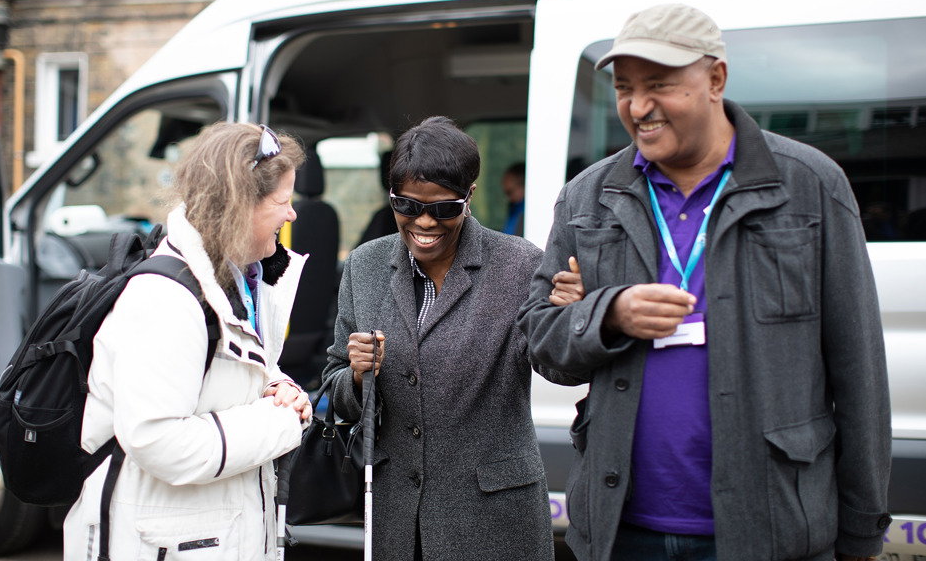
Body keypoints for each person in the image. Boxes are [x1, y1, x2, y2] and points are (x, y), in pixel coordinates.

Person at [518, 4, 891, 561]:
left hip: (770, 529)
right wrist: (609, 314)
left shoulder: (809, 186)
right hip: (624, 532)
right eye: (624, 88)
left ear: (716, 78)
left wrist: (861, 532)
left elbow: (859, 371)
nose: (638, 106)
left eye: (659, 85)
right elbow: (543, 345)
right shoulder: (587, 199)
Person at [323, 116, 570, 560]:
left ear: (469, 196)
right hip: (397, 523)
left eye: (443, 209)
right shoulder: (365, 267)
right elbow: (337, 387)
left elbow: (561, 367)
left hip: (494, 520)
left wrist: (571, 318)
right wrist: (357, 377)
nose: (424, 222)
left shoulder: (518, 265)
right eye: (407, 206)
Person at [63, 122, 313, 561]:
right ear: (240, 206)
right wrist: (280, 423)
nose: (292, 214)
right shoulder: (166, 300)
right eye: (283, 201)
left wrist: (277, 387)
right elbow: (156, 439)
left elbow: (231, 369)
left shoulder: (228, 278)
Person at [501, 161, 526, 235]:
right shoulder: (514, 209)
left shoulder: (528, 212)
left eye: (510, 192)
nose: (508, 199)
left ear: (523, 187)